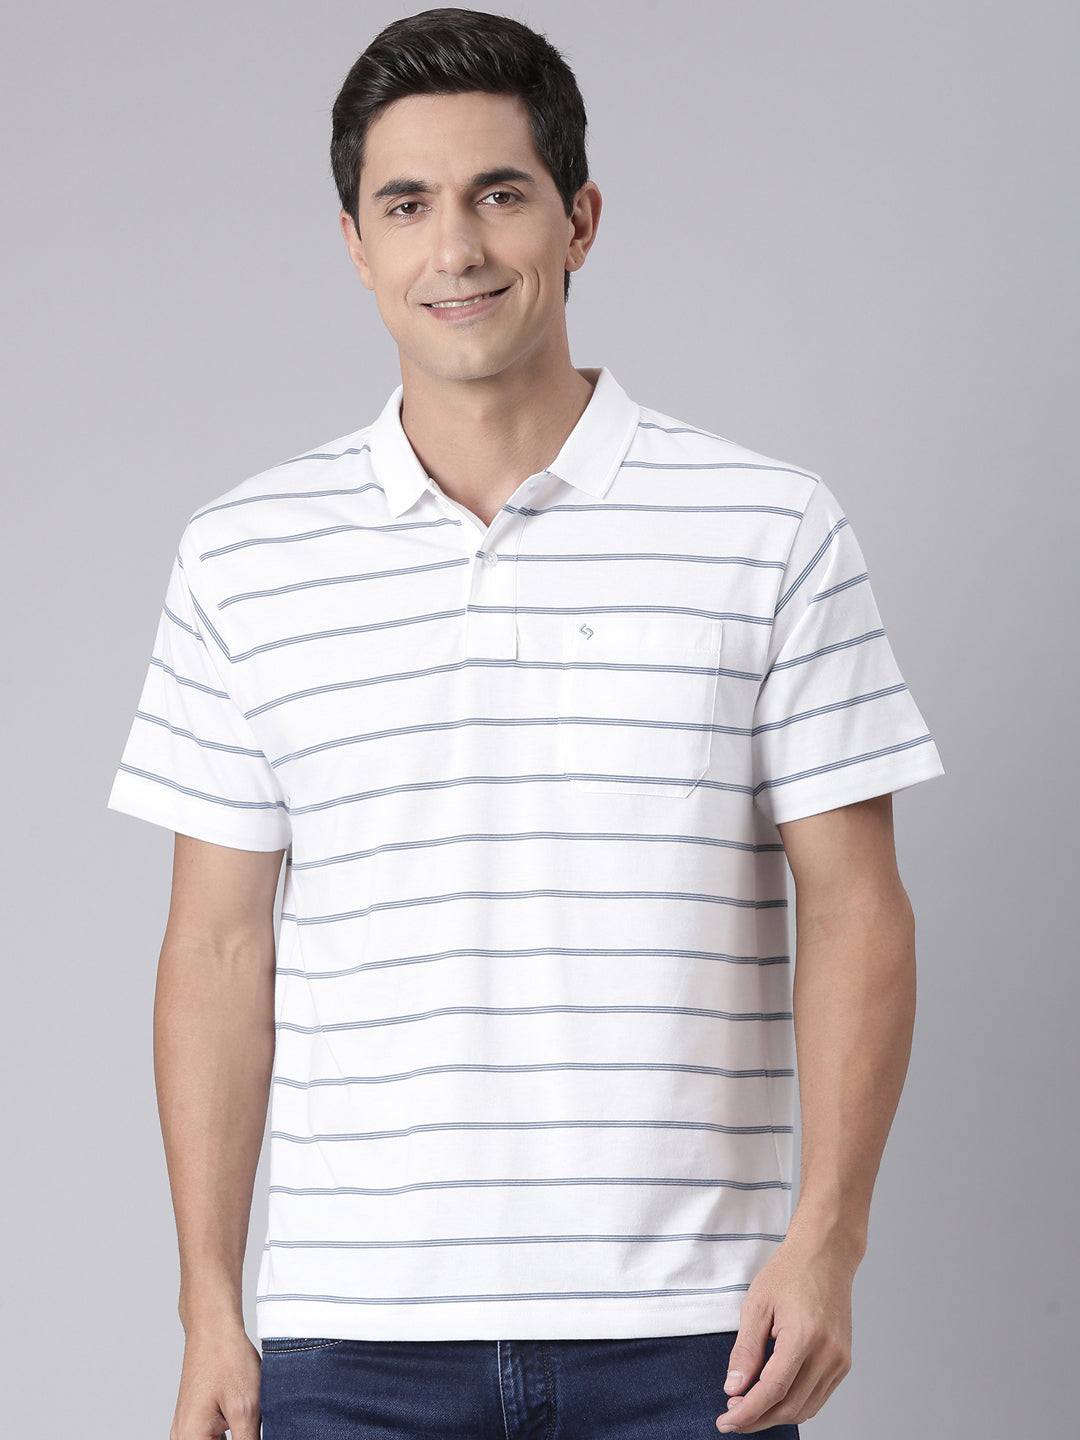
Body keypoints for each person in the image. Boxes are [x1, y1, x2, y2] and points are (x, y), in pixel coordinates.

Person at [106, 8, 945, 1438]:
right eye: (406, 205)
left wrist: (830, 1240)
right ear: (355, 244)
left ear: (580, 219)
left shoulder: (769, 528)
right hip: (350, 1342)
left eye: (500, 193)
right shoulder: (241, 555)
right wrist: (207, 1304)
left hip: (690, 1343)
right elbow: (217, 947)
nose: (457, 248)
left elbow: (857, 906)